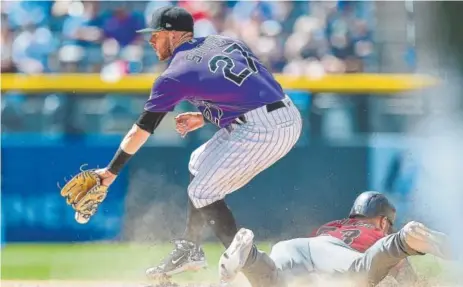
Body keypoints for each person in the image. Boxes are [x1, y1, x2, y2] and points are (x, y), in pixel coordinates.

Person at [89, 6, 302, 278]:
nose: (151, 40)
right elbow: (254, 87)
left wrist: (111, 172)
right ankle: (192, 248)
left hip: (264, 128)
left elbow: (141, 130)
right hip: (281, 113)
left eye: (156, 34)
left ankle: (259, 272)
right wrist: (205, 114)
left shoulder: (175, 73)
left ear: (175, 35)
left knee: (203, 192)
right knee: (198, 162)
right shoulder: (225, 41)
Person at [219, 191, 452, 287]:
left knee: (272, 280)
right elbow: (405, 279)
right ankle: (403, 240)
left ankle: (250, 256)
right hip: (331, 252)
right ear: (383, 222)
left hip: (294, 246)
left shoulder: (336, 225)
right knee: (363, 273)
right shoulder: (377, 232)